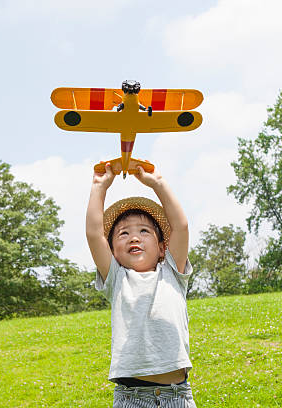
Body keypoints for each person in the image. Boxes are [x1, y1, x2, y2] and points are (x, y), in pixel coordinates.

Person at [86, 163, 196, 408]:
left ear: (161, 248)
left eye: (144, 231)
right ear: (112, 252)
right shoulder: (117, 278)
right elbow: (94, 234)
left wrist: (158, 183)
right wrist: (98, 187)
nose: (134, 237)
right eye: (123, 234)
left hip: (176, 396)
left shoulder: (172, 272)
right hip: (130, 397)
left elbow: (181, 226)